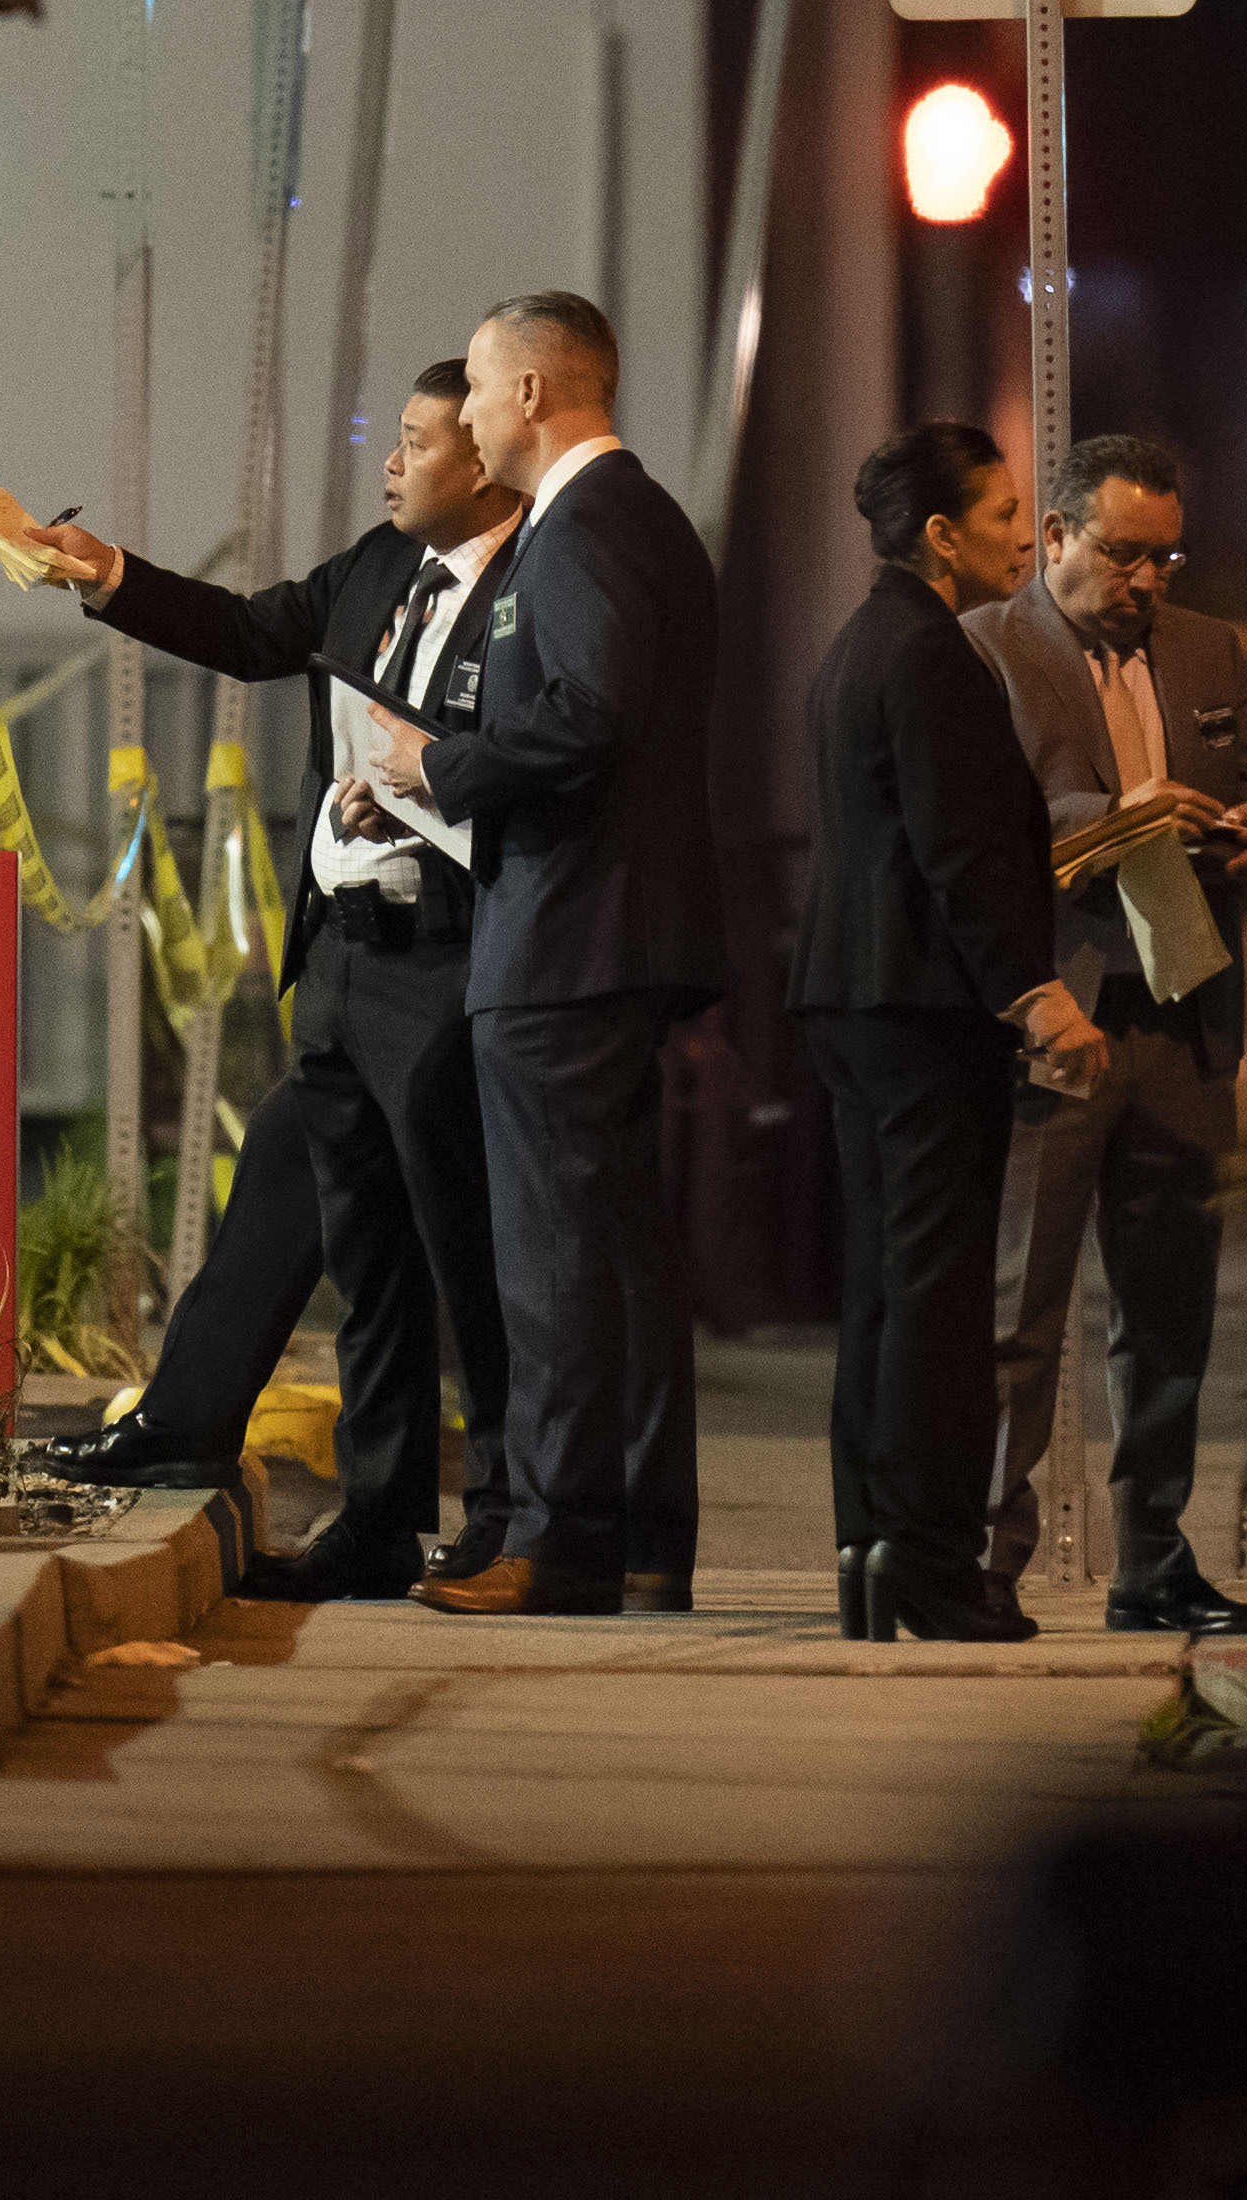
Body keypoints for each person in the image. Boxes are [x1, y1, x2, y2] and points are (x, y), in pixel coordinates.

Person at [21, 365, 525, 1601]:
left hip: (450, 957)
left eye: (413, 444)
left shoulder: (537, 583)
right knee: (337, 1223)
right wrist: (108, 574)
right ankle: (306, 1482)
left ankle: (504, 1521)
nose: (391, 464)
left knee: (454, 1255)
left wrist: (425, 775)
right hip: (345, 955)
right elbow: (254, 634)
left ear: (482, 458)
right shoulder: (378, 564)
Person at [361, 292, 723, 1617]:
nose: (458, 410)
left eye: (474, 383)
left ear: (527, 397)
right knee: (615, 1248)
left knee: (555, 1251)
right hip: (610, 935)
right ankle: (637, 1540)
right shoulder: (641, 522)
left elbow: (587, 716)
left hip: (567, 937)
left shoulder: (582, 531)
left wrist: (428, 760)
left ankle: (561, 1542)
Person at [959, 432, 1247, 1635]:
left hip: (1185, 1010)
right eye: (1123, 553)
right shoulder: (985, 652)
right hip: (1060, 1012)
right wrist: (1115, 815)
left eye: (1165, 555)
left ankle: (1153, 1555)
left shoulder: (1208, 647)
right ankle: (985, 1559)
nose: (1147, 578)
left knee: (1169, 1310)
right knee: (1020, 1308)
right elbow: (977, 827)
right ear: (1054, 536)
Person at [797, 424, 1107, 1644]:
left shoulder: (860, 640)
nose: (1025, 535)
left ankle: (871, 1549)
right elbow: (961, 847)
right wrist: (1034, 991)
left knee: (882, 1287)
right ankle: (927, 1561)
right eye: (1002, 515)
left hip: (855, 997)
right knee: (933, 1298)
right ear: (940, 535)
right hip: (922, 1008)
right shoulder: (928, 653)